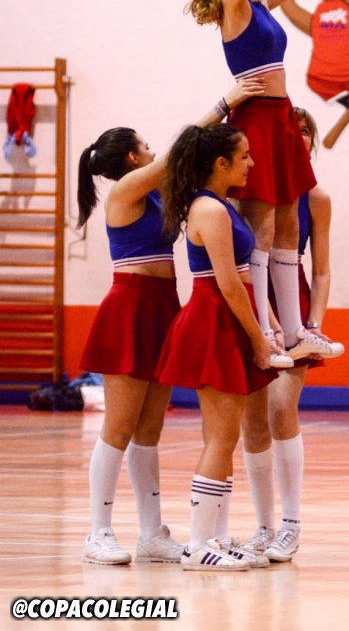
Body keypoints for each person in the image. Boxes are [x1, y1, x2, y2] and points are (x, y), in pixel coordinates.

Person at [77, 80, 263, 565]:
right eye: (145, 147)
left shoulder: (159, 195)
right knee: (118, 426)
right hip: (128, 307)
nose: (153, 151)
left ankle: (150, 533)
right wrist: (224, 104)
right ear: (132, 158)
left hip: (163, 305)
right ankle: (97, 532)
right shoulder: (125, 191)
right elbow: (179, 155)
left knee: (149, 428)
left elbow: (184, 170)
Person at [188, 0, 349, 363]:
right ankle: (266, 332)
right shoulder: (234, 5)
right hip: (256, 118)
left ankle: (296, 333)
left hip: (281, 118)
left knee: (288, 225)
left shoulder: (261, 6)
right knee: (261, 228)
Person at [157, 124, 291, 571]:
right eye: (244, 156)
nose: (251, 163)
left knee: (224, 436)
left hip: (226, 318)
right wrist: (258, 340)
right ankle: (198, 545)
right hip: (213, 319)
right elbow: (229, 284)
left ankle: (213, 536)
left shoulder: (220, 206)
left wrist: (269, 328)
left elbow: (245, 278)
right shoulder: (209, 210)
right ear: (220, 163)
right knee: (221, 437)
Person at [239, 108, 340, 562]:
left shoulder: (316, 198)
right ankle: (263, 526)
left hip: (291, 299)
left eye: (304, 133)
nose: (297, 138)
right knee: (252, 419)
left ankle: (291, 524)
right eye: (290, 132)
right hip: (252, 299)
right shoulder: (246, 191)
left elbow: (321, 270)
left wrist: (310, 324)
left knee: (282, 409)